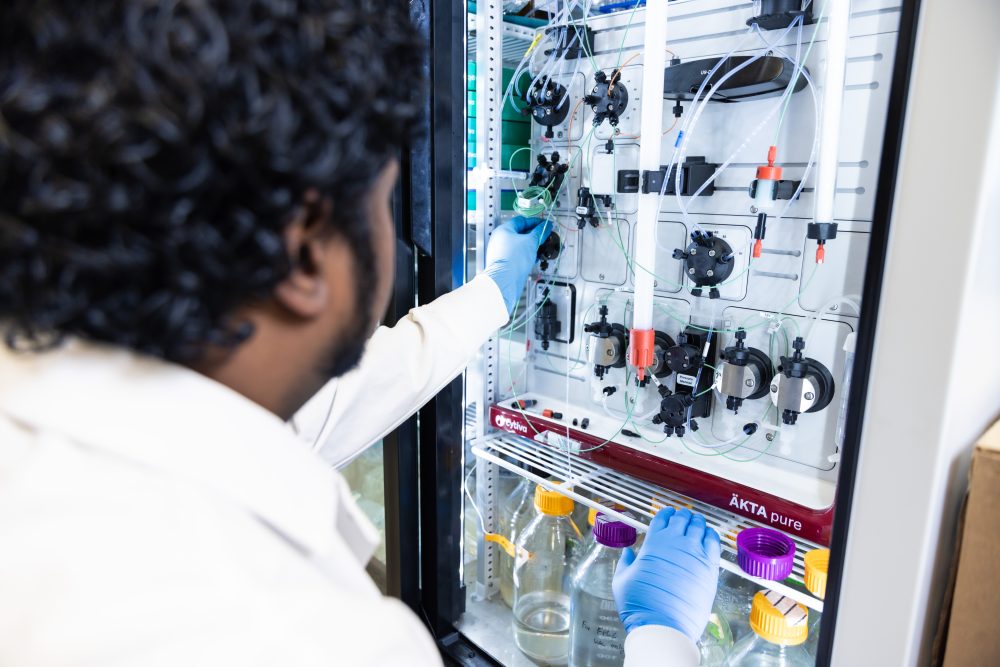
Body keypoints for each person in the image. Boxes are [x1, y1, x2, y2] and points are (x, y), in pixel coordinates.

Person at [0, 1, 720, 665]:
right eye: (383, 200)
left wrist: (491, 296)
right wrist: (660, 638)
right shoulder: (304, 635)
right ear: (310, 250)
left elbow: (323, 402)